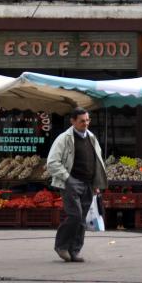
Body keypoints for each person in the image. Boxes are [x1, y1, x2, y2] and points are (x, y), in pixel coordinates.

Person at [47, 107, 107, 263]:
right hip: (71, 183)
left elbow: (97, 161)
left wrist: (96, 183)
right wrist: (68, 178)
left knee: (82, 219)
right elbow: (52, 163)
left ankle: (74, 250)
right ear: (72, 121)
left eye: (87, 120)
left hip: (88, 183)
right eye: (82, 121)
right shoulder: (64, 138)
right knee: (75, 216)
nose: (85, 123)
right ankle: (61, 246)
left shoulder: (91, 137)